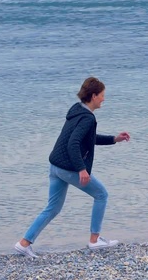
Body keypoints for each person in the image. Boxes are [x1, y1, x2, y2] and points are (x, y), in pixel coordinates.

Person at [14, 76, 130, 258]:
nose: (104, 99)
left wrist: (114, 139)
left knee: (52, 208)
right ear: (93, 96)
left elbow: (87, 139)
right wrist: (81, 169)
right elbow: (73, 144)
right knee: (101, 194)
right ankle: (95, 240)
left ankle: (24, 243)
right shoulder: (87, 118)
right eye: (102, 95)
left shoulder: (77, 111)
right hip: (68, 168)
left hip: (55, 166)